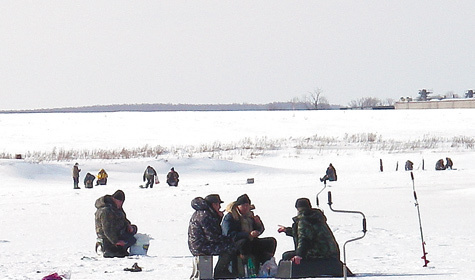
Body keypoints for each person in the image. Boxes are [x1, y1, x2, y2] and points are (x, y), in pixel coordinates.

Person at [222, 194, 277, 274]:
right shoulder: (230, 217)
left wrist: (258, 225)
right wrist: (248, 234)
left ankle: (265, 262)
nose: (245, 208)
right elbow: (229, 234)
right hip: (234, 243)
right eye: (243, 205)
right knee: (245, 242)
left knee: (271, 241)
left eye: (247, 205)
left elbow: (259, 230)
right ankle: (245, 265)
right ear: (238, 206)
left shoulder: (250, 216)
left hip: (250, 241)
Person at [188, 194, 237, 279]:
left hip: (198, 245)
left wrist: (218, 217)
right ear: (214, 204)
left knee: (228, 244)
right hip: (201, 247)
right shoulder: (206, 215)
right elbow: (213, 237)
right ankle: (220, 271)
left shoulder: (202, 213)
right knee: (230, 247)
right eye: (218, 204)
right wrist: (228, 239)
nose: (219, 207)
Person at [278, 198, 340, 264]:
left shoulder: (304, 219)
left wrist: (299, 255)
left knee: (286, 256)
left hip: (320, 253)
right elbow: (307, 232)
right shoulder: (315, 217)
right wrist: (287, 230)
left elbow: (304, 239)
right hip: (330, 252)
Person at [95, 190, 137, 258]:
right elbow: (107, 229)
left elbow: (123, 218)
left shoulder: (116, 207)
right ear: (114, 199)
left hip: (117, 232)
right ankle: (106, 249)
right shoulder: (106, 210)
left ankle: (119, 249)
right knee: (120, 250)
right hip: (108, 237)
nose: (121, 204)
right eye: (120, 201)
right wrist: (116, 241)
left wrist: (128, 225)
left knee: (133, 231)